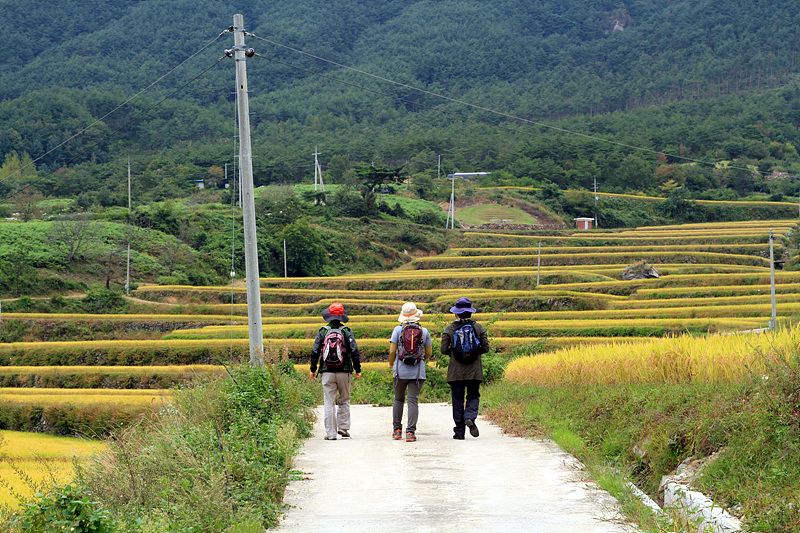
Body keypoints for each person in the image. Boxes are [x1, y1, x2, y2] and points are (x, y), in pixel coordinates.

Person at [310, 303, 362, 440]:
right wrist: (358, 369)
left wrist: (312, 369)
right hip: (344, 371)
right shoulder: (346, 331)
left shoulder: (323, 331)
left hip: (327, 371)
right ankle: (343, 429)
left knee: (329, 402)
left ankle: (331, 434)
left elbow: (315, 351)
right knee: (344, 399)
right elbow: (354, 351)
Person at [440, 297, 490, 440]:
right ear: (470, 313)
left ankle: (459, 432)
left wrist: (456, 353)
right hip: (474, 370)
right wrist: (473, 352)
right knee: (473, 396)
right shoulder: (478, 327)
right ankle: (470, 417)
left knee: (457, 400)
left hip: (456, 372)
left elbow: (443, 350)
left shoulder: (449, 328)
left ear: (456, 314)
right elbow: (486, 348)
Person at [388, 302, 433, 442]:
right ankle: (410, 433)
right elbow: (429, 352)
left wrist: (391, 364)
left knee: (398, 399)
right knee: (413, 401)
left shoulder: (397, 330)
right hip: (417, 372)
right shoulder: (424, 331)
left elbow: (392, 351)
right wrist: (421, 360)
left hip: (400, 371)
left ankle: (397, 430)